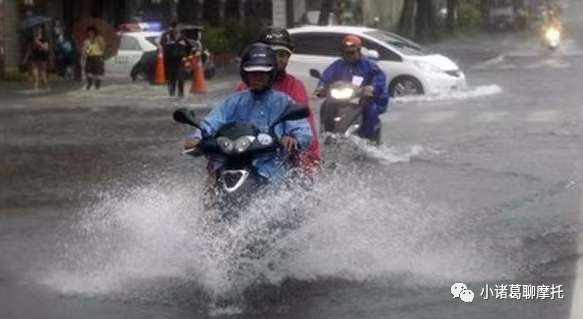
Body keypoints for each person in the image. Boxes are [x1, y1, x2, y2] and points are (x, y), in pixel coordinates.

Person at [183, 42, 313, 184]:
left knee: (285, 198)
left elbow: (303, 130)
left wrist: (293, 137)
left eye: (263, 73)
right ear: (245, 74)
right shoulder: (233, 101)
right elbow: (212, 121)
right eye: (253, 73)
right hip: (230, 166)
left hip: (272, 173)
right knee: (210, 191)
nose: (258, 77)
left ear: (271, 74)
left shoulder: (284, 102)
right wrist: (197, 137)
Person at [234, 26, 321, 173]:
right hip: (247, 149)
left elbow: (304, 123)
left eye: (282, 54)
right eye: (273, 54)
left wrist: (308, 156)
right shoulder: (243, 86)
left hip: (283, 154)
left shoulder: (295, 86)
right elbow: (225, 119)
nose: (278, 59)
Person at [313, 34, 389, 143]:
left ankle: (367, 139)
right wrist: (321, 87)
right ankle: (326, 133)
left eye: (352, 52)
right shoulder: (337, 65)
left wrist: (372, 87)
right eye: (346, 52)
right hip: (340, 98)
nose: (349, 55)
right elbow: (326, 77)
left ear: (359, 51)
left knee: (371, 109)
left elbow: (379, 79)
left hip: (361, 98)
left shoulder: (369, 65)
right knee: (326, 104)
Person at [159, 21, 191, 98]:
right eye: (178, 27)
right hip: (170, 60)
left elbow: (189, 47)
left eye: (180, 27)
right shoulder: (166, 36)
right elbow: (161, 46)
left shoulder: (182, 36)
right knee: (171, 77)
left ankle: (181, 94)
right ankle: (172, 94)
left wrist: (186, 57)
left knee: (180, 77)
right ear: (173, 27)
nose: (179, 28)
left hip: (180, 60)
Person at [22, 27, 49, 91]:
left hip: (42, 59)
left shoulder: (44, 39)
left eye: (38, 31)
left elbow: (46, 48)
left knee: (43, 75)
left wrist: (38, 43)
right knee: (35, 75)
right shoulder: (31, 40)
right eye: (35, 31)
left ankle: (46, 87)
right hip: (34, 59)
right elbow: (29, 51)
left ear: (41, 32)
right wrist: (24, 60)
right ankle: (35, 89)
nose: (37, 32)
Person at [82, 26, 105, 90]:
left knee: (98, 72)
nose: (90, 34)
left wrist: (99, 41)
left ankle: (97, 85)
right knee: (88, 72)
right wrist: (83, 58)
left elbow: (103, 47)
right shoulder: (86, 41)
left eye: (92, 32)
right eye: (89, 32)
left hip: (98, 57)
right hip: (89, 57)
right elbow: (84, 50)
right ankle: (89, 83)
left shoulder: (99, 39)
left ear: (95, 33)